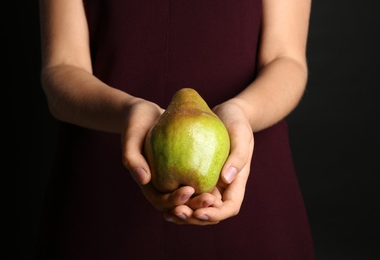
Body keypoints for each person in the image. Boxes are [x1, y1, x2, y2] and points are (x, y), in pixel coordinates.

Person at [35, 0, 314, 259]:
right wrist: (129, 111)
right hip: (102, 195)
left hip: (247, 180)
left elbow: (286, 59)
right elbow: (62, 68)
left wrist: (242, 112)